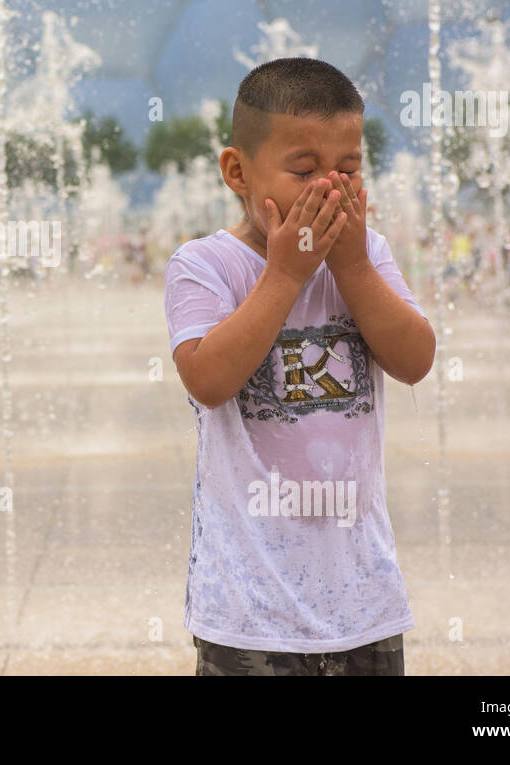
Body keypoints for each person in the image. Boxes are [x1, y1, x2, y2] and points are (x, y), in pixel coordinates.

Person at [164, 58, 435, 676]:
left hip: (363, 600)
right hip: (249, 610)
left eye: (349, 169)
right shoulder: (206, 266)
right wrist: (286, 273)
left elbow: (415, 360)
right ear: (238, 171)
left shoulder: (366, 259)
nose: (329, 190)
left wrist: (355, 269)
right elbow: (208, 379)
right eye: (304, 171)